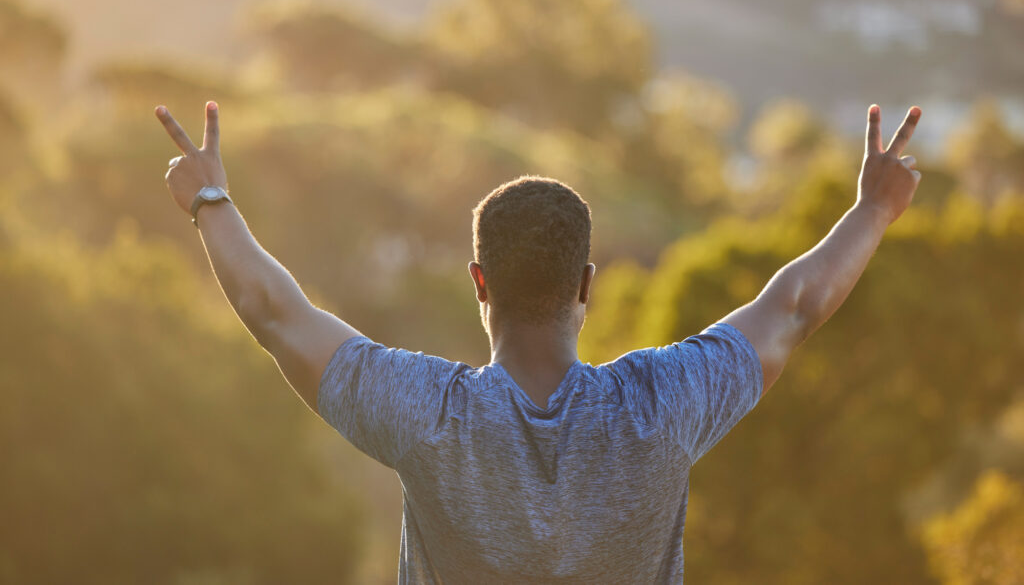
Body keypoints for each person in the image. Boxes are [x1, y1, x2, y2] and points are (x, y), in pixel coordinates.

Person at [156, 101, 922, 583]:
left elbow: (274, 311)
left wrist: (210, 200)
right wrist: (872, 210)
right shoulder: (662, 405)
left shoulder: (428, 414)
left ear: (479, 281)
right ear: (586, 284)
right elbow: (793, 307)